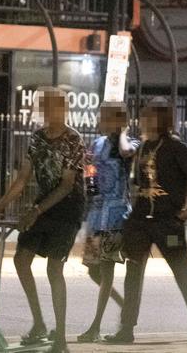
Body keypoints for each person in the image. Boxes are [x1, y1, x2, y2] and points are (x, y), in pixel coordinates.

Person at [0, 87, 86, 353]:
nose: (49, 112)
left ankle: (60, 336)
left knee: (54, 269)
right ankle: (38, 322)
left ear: (63, 109)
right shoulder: (37, 138)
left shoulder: (74, 139)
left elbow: (66, 185)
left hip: (68, 206)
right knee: (21, 259)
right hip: (43, 204)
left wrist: (34, 211)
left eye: (53, 107)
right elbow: (22, 179)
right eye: (45, 107)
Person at [105, 97, 187, 344]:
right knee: (133, 272)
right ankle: (126, 327)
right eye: (144, 115)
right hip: (141, 219)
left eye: (149, 115)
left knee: (180, 268)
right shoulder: (142, 146)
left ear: (161, 119)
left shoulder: (175, 147)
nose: (143, 119)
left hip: (167, 220)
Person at [77, 102, 137, 343]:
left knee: (106, 267)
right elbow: (90, 171)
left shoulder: (129, 143)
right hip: (97, 213)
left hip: (115, 215)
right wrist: (90, 185)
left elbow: (125, 152)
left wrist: (122, 131)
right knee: (93, 269)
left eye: (106, 117)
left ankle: (95, 326)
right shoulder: (98, 143)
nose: (101, 120)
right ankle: (125, 306)